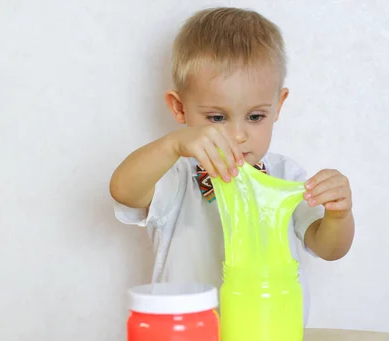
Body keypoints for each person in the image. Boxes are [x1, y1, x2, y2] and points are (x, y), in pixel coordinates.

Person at [109, 7, 354, 324]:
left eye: (255, 117)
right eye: (216, 117)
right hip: (188, 340)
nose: (238, 135)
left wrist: (339, 214)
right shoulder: (176, 175)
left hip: (272, 338)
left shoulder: (285, 176)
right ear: (179, 108)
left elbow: (328, 248)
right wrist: (172, 145)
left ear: (278, 106)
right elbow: (123, 191)